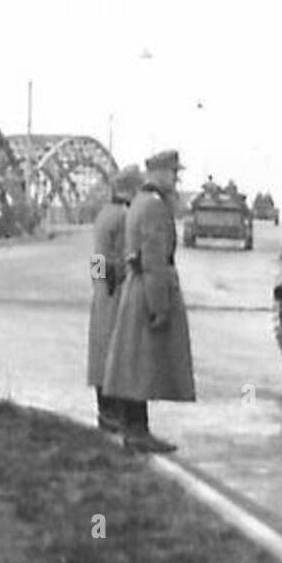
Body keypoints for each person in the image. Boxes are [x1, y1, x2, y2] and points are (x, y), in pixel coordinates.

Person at [102, 149, 196, 454]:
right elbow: (154, 258)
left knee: (133, 364)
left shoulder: (138, 205)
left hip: (133, 287)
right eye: (173, 173)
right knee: (141, 366)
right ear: (158, 173)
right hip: (147, 290)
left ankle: (133, 428)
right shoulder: (154, 207)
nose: (176, 178)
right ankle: (138, 431)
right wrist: (160, 305)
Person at [87, 165, 141, 433]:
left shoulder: (104, 214)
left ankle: (105, 411)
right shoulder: (124, 216)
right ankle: (114, 413)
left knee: (100, 350)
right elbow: (124, 256)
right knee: (118, 352)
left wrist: (98, 285)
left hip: (103, 291)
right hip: (116, 289)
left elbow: (96, 257)